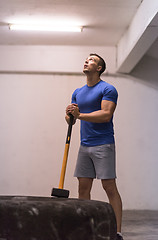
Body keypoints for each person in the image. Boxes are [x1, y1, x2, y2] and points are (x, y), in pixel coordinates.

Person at [65, 53, 123, 240]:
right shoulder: (78, 92)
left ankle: (116, 232)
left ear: (99, 68)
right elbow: (71, 120)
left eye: (91, 60)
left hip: (103, 144)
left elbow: (106, 114)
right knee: (83, 188)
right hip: (85, 145)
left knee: (109, 187)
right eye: (86, 59)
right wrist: (70, 114)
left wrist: (79, 115)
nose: (86, 61)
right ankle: (85, 229)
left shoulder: (108, 89)